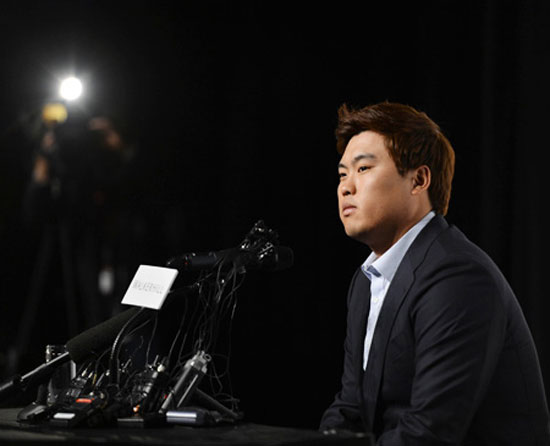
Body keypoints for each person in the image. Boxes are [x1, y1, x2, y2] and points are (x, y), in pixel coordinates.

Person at [320, 102, 550, 445]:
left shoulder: (457, 276)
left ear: (419, 180)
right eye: (342, 174)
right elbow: (350, 407)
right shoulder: (367, 281)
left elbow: (430, 433)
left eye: (363, 168)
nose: (345, 187)